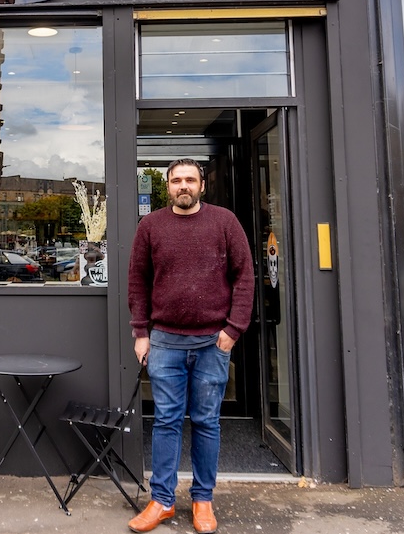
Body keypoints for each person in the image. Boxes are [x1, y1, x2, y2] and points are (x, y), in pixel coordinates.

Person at [127, 158, 255, 534]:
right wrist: (141, 332)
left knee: (206, 422)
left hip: (213, 341)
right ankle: (162, 501)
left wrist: (234, 328)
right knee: (165, 421)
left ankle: (202, 500)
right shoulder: (150, 225)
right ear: (167, 186)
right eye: (176, 180)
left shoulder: (225, 222)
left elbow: (244, 277)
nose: (183, 186)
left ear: (202, 185)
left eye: (190, 180)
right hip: (165, 339)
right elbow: (137, 280)